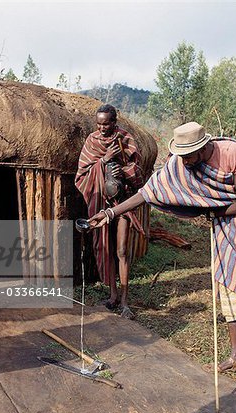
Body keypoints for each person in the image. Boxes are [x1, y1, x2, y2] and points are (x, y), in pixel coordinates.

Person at [89, 121, 236, 397]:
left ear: (204, 147)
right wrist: (110, 214)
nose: (185, 162)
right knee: (225, 281)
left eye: (189, 156)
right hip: (224, 221)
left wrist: (212, 212)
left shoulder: (232, 153)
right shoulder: (182, 162)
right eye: (181, 156)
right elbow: (148, 192)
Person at [75, 104, 144, 319]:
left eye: (106, 123)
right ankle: (113, 296)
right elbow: (82, 174)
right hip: (101, 203)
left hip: (122, 203)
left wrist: (122, 170)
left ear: (114, 122)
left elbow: (138, 172)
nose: (102, 128)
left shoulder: (126, 140)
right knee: (106, 248)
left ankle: (124, 301)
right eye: (99, 123)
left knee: (121, 250)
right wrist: (104, 160)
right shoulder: (92, 141)